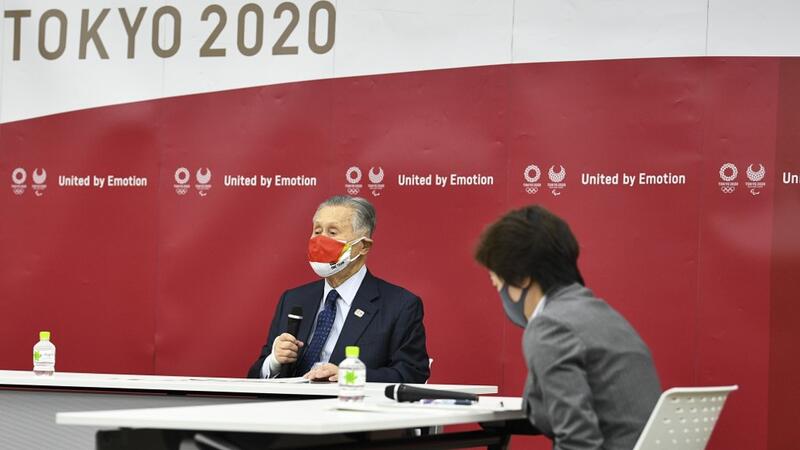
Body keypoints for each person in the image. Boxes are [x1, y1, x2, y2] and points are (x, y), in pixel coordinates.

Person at [474, 205, 661, 450]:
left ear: (521, 278)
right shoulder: (602, 313)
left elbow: (578, 442)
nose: (500, 293)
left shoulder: (550, 326)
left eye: (497, 283)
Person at [247, 196, 430, 383]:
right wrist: (274, 362)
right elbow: (255, 378)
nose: (320, 240)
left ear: (363, 246)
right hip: (289, 401)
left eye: (332, 232)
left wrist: (350, 376)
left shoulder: (399, 305)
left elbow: (412, 374)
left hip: (350, 400)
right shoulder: (293, 299)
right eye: (317, 231)